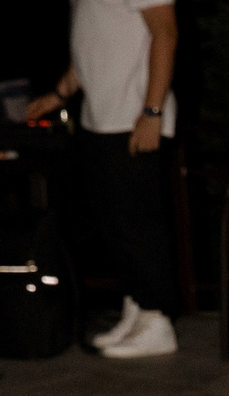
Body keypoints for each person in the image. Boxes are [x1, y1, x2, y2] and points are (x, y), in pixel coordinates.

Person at [26, 0, 182, 359]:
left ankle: (157, 319)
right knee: (113, 221)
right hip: (99, 117)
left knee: (137, 221)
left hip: (133, 116)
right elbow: (93, 45)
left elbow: (166, 33)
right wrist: (59, 93)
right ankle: (137, 308)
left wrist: (152, 112)